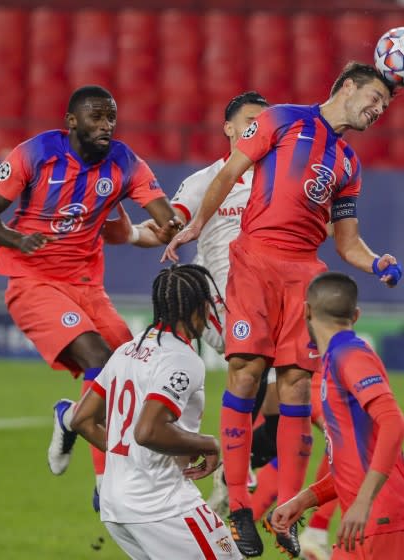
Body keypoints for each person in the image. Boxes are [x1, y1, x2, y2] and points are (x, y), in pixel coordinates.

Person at [161, 62, 404, 558]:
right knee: (245, 374)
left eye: (386, 106)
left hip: (305, 272)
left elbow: (348, 243)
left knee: (296, 385)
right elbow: (230, 171)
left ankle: (285, 513)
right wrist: (194, 225)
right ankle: (238, 507)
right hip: (255, 258)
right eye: (375, 98)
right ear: (347, 86)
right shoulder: (281, 119)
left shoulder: (349, 166)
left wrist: (375, 260)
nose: (378, 110)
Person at [0, 85, 181, 506]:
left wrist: (173, 225)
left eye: (111, 119)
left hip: (87, 286)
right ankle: (107, 483)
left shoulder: (123, 161)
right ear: (71, 121)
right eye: (97, 117)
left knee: (131, 367)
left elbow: (160, 210)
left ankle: (69, 416)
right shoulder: (34, 154)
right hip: (33, 282)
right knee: (100, 359)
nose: (106, 126)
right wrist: (17, 240)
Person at [105, 91, 280, 516]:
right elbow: (169, 227)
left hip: (269, 305)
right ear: (229, 128)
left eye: (265, 121)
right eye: (251, 120)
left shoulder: (281, 179)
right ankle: (226, 471)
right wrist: (130, 234)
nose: (259, 128)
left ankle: (226, 468)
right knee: (261, 376)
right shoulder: (208, 180)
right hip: (222, 304)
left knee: (276, 422)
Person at [70, 264, 243, 559]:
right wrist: (209, 444)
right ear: (200, 308)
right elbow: (149, 431)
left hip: (118, 508)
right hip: (163, 505)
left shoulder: (127, 350)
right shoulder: (181, 358)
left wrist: (132, 458)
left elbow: (82, 420)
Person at [270, 272, 404, 559]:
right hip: (364, 526)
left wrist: (363, 502)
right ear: (356, 315)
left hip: (385, 524)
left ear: (306, 310)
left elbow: (394, 423)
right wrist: (304, 501)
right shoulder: (335, 359)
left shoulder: (350, 355)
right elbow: (353, 464)